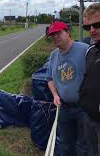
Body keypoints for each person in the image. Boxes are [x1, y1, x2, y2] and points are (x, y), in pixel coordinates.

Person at [46, 21, 89, 156]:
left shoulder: (85, 50)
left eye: (58, 33)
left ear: (68, 32)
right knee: (65, 144)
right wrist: (55, 95)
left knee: (83, 145)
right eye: (52, 35)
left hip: (84, 108)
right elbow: (50, 79)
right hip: (63, 108)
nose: (55, 37)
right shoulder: (54, 55)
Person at [79, 3, 100, 156]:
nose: (92, 30)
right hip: (88, 116)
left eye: (97, 24)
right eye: (88, 27)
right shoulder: (90, 51)